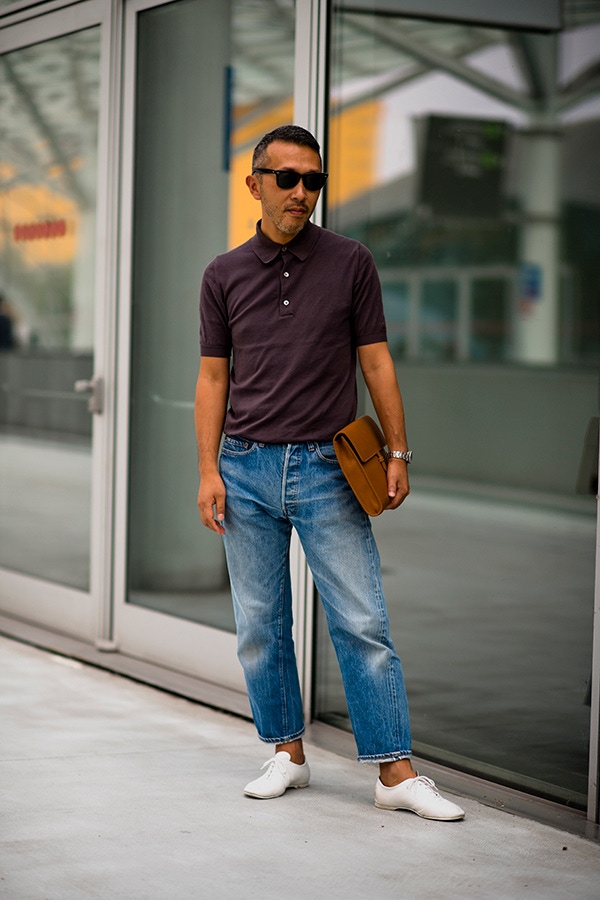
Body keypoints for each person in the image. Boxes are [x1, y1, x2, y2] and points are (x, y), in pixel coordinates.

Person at [195, 124, 464, 821]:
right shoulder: (222, 274)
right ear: (254, 183)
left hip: (327, 467)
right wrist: (208, 470)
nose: (302, 193)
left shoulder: (351, 261)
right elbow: (211, 378)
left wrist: (398, 451)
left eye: (313, 181)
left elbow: (376, 361)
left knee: (361, 620)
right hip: (246, 466)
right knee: (261, 623)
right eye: (287, 179)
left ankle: (395, 773)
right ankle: (286, 755)